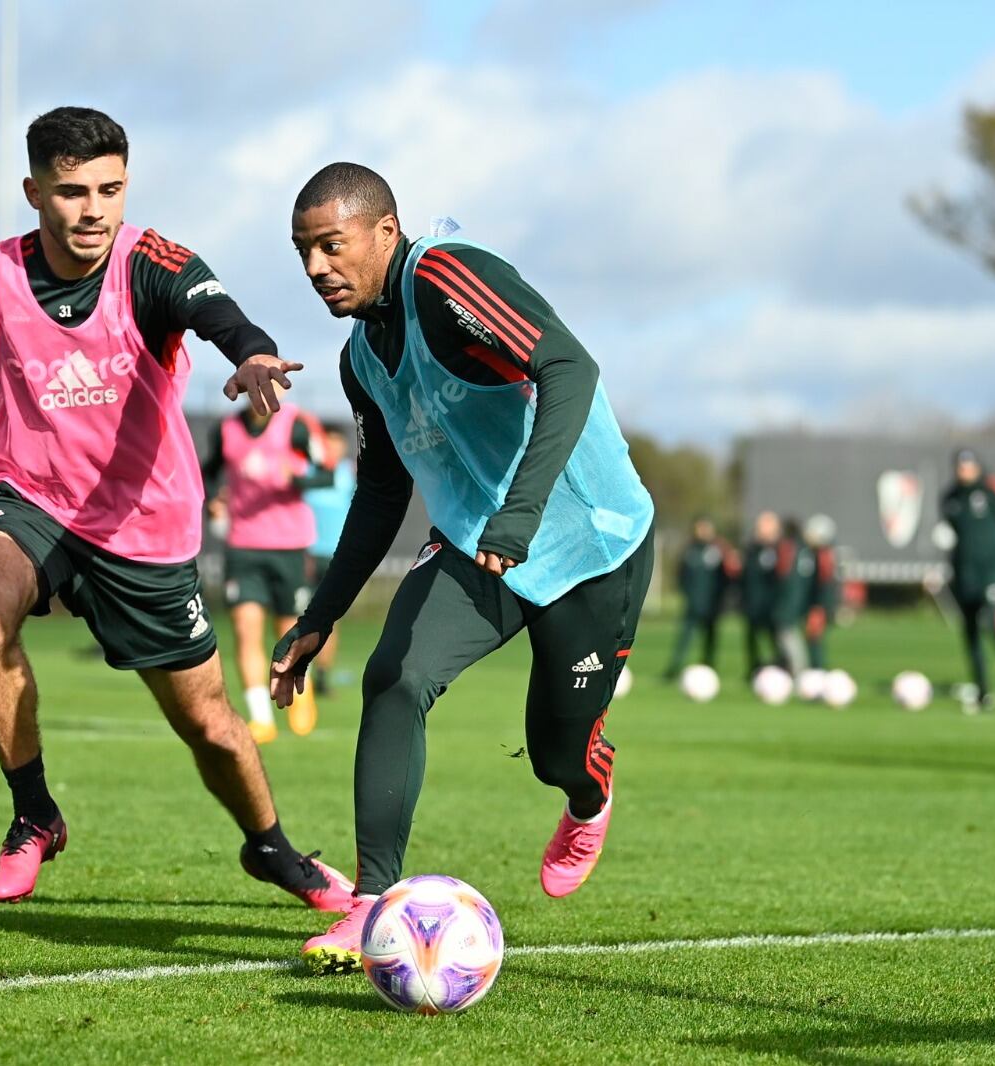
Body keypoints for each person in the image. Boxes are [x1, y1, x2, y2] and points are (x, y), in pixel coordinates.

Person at [0, 107, 351, 910]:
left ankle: (271, 849)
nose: (93, 208)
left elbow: (220, 315)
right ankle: (34, 815)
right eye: (71, 191)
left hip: (143, 525)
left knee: (209, 725)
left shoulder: (152, 264)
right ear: (33, 192)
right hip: (27, 497)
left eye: (109, 189)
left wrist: (254, 354)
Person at [272, 163, 654, 974]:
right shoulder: (360, 359)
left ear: (384, 231)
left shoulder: (447, 277)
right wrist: (318, 617)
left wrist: (521, 514)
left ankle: (589, 793)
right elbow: (379, 494)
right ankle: (373, 902)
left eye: (331, 246)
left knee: (557, 753)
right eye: (304, 252)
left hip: (590, 539)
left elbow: (570, 368)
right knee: (396, 675)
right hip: (478, 542)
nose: (315, 269)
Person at [201, 400, 332, 742]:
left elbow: (326, 473)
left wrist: (298, 480)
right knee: (246, 629)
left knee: (288, 629)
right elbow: (207, 472)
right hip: (243, 546)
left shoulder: (296, 425)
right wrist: (212, 500)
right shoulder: (227, 429)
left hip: (289, 546)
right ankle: (261, 718)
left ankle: (301, 696)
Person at [940, 448, 995, 713]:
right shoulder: (950, 498)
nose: (964, 470)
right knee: (971, 632)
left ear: (978, 466)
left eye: (969, 465)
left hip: (993, 572)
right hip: (965, 574)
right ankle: (983, 692)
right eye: (960, 466)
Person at [303, 424, 356, 697]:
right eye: (328, 442)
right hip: (305, 555)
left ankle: (322, 676)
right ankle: (300, 670)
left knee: (329, 620)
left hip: (336, 558)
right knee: (297, 614)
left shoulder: (350, 475)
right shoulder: (307, 472)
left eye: (337, 443)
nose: (332, 448)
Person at [662, 515, 735, 680]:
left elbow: (728, 576)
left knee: (711, 639)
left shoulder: (719, 549)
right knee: (685, 638)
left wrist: (722, 598)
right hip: (692, 603)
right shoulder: (689, 549)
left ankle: (709, 668)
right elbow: (681, 574)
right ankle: (674, 668)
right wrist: (686, 593)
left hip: (712, 605)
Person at [740, 510, 781, 677]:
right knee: (752, 639)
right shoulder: (751, 550)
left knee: (775, 639)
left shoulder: (779, 550)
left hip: (771, 605)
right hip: (751, 603)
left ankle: (781, 667)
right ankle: (754, 669)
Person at [771, 517, 814, 677]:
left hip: (788, 602)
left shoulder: (788, 548)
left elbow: (782, 575)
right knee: (792, 636)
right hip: (801, 601)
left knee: (788, 637)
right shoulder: (806, 549)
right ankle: (795, 671)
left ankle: (799, 673)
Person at [803, 514, 840, 670]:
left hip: (819, 604)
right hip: (817, 603)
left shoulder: (824, 556)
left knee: (815, 637)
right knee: (812, 636)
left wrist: (820, 606)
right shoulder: (816, 554)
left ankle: (817, 668)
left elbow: (824, 583)